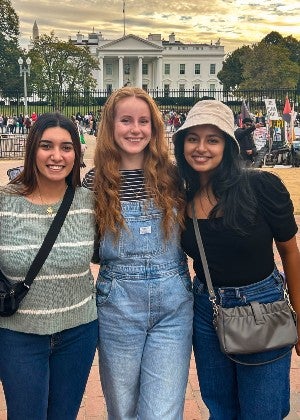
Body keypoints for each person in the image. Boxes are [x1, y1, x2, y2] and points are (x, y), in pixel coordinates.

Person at [173, 99, 300, 419]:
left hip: (262, 306)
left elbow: (290, 252)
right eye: (193, 138)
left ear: (228, 145)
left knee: (263, 410)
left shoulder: (260, 186)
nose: (201, 148)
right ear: (181, 144)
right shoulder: (181, 197)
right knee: (220, 408)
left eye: (212, 139)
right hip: (207, 308)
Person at [83, 86, 193, 419]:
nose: (135, 129)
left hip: (172, 306)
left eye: (143, 121)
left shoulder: (174, 178)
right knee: (123, 408)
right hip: (118, 306)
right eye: (126, 120)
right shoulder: (94, 183)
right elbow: (89, 248)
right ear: (110, 126)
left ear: (154, 127)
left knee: (162, 411)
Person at [0, 112, 98, 419]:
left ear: (76, 154)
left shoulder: (90, 202)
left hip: (78, 332)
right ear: (32, 151)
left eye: (66, 147)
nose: (57, 156)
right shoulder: (5, 203)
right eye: (46, 146)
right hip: (18, 334)